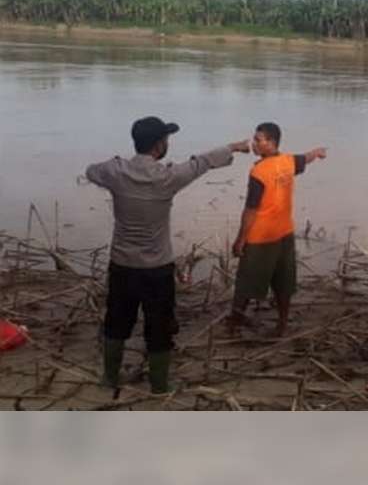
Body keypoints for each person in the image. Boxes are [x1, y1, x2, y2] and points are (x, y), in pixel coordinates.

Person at [86, 116, 250, 393]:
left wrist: (116, 170)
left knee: (116, 321)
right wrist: (233, 147)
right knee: (159, 327)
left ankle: (109, 378)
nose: (167, 144)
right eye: (166, 139)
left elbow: (91, 171)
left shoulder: (115, 172)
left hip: (123, 266)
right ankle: (159, 385)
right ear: (159, 145)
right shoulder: (168, 177)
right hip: (156, 269)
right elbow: (202, 162)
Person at [228, 122, 327, 337]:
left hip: (261, 237)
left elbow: (251, 210)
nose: (253, 143)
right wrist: (317, 152)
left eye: (258, 140)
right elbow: (305, 158)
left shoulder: (259, 171)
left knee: (246, 282)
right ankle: (282, 324)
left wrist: (240, 240)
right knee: (283, 283)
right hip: (284, 234)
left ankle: (234, 323)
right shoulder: (288, 162)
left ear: (271, 143)